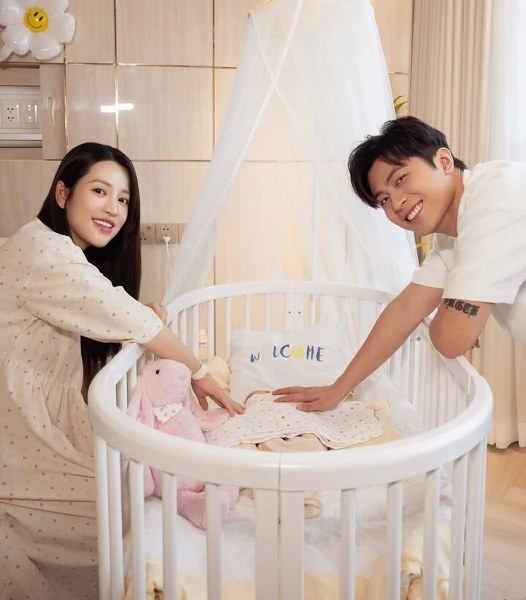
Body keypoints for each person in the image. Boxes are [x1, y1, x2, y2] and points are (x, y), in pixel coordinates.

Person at [0, 142, 243, 600]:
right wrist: (199, 372)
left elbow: (116, 313)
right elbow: (131, 320)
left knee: (121, 503)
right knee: (111, 514)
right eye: (100, 191)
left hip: (36, 415)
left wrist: (142, 321)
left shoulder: (56, 249)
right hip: (16, 428)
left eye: (124, 198)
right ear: (63, 193)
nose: (114, 208)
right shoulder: (45, 252)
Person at [274, 116, 526, 412]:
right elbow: (405, 310)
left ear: (444, 161)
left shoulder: (496, 198)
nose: (396, 204)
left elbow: (450, 340)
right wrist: (338, 388)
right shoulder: (452, 238)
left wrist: (451, 318)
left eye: (400, 180)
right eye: (383, 199)